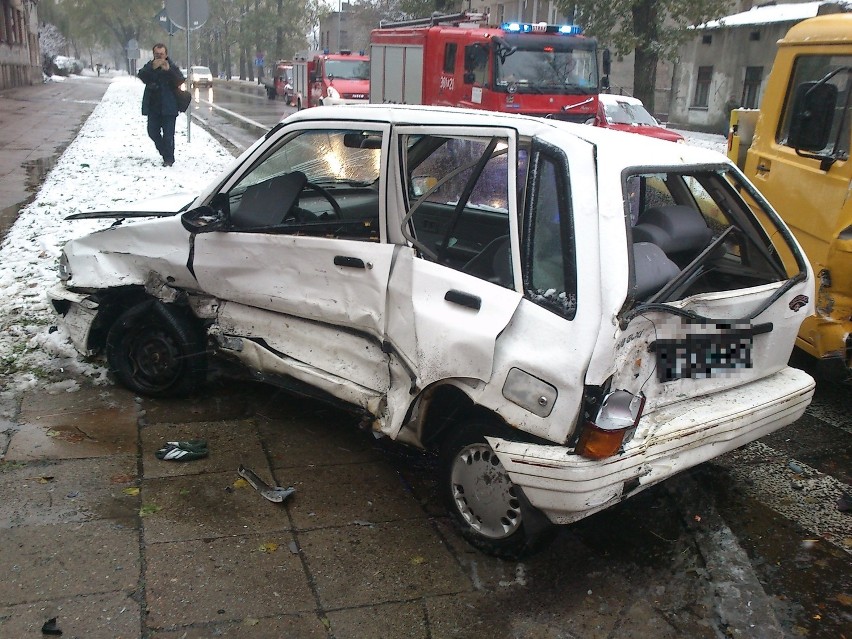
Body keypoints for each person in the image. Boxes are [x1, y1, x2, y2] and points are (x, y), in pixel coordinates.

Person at [137, 43, 185, 167]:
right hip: (153, 107)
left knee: (169, 135)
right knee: (152, 132)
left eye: (161, 54)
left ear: (166, 54)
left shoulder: (171, 66)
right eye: (157, 54)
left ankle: (169, 159)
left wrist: (168, 70)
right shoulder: (150, 65)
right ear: (153, 54)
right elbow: (141, 76)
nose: (159, 57)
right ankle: (165, 153)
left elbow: (180, 79)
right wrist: (152, 68)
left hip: (169, 107)